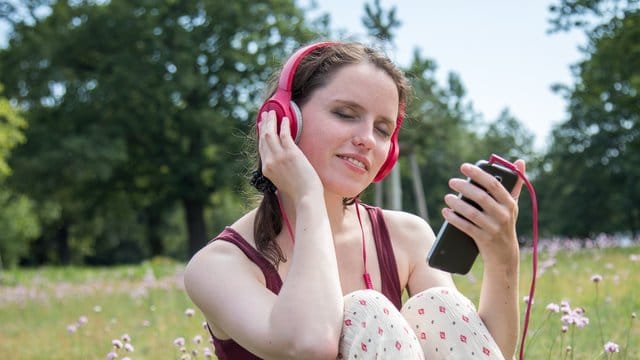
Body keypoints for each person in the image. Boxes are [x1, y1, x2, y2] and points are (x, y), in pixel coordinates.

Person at [184, 40, 526, 360]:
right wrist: (308, 197)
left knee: (440, 305)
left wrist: (503, 257)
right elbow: (310, 342)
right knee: (366, 310)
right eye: (346, 114)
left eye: (381, 129)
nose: (366, 140)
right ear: (285, 120)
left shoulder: (406, 236)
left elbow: (480, 350)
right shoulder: (218, 265)